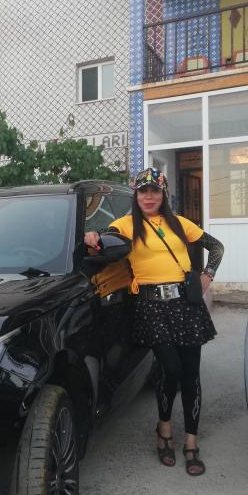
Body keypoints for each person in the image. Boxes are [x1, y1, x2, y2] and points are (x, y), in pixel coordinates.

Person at [84, 168, 224, 476]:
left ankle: (191, 441)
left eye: (155, 191)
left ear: (164, 195)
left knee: (190, 375)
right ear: (136, 195)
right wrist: (92, 238)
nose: (149, 197)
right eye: (143, 191)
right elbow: (102, 246)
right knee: (170, 369)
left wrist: (207, 275)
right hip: (152, 307)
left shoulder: (179, 223)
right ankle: (164, 427)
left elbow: (216, 247)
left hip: (186, 305)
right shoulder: (124, 225)